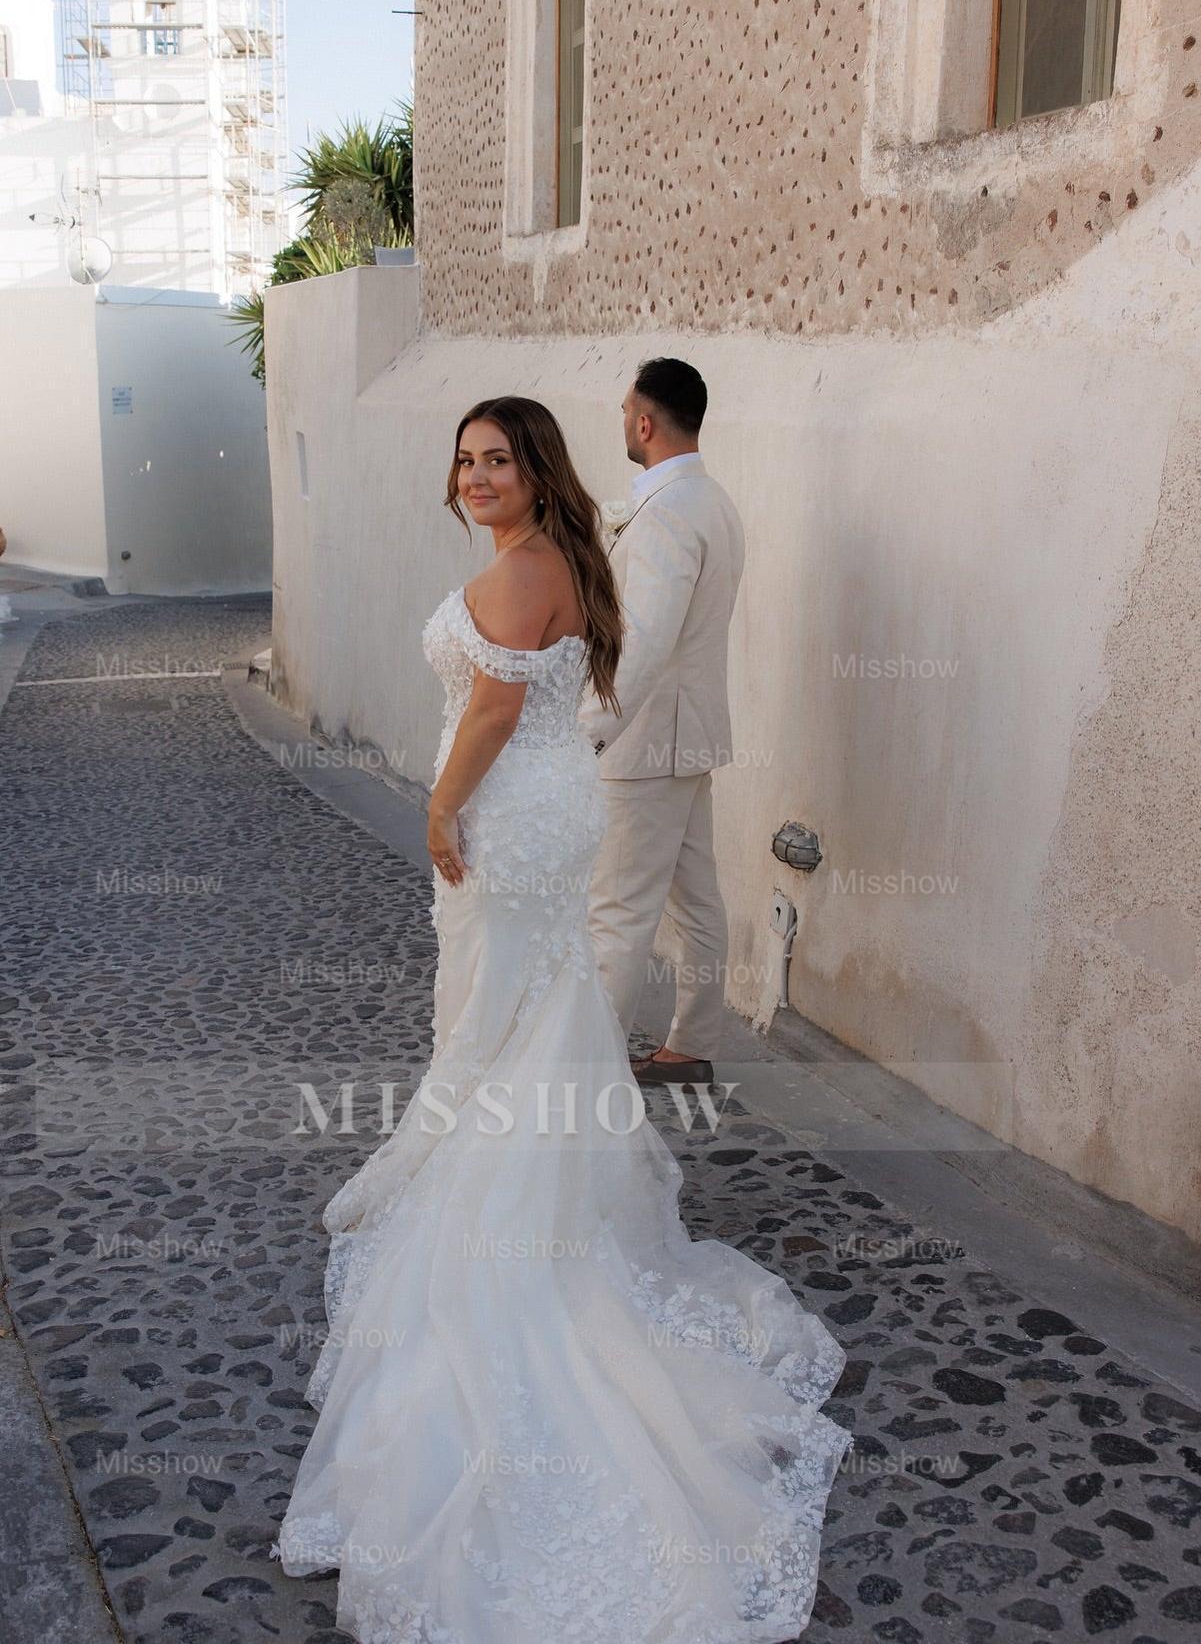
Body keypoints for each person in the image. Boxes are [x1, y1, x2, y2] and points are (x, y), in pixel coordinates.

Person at [272, 395, 847, 1643]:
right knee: (523, 1015)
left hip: (508, 811)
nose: (477, 475)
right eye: (465, 458)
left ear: (537, 472)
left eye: (499, 459)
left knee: (493, 1017)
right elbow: (528, 703)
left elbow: (484, 711)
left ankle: (500, 1233)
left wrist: (434, 809)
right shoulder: (558, 558)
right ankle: (525, 1187)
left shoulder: (526, 568)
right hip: (546, 808)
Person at [584, 358, 746, 1086]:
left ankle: (587, 1072)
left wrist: (591, 726)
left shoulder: (672, 513)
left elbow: (644, 638)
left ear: (645, 422)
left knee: (618, 911)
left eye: (625, 411)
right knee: (697, 898)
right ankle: (690, 1042)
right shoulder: (714, 502)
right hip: (687, 735)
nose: (622, 421)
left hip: (645, 741)